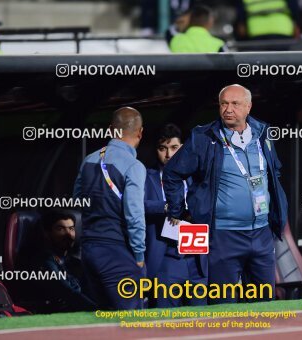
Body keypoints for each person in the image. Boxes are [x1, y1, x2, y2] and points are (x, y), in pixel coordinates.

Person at [163, 84, 288, 304]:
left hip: (261, 234)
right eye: (223, 103)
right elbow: (172, 173)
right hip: (223, 236)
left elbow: (274, 171)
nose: (228, 109)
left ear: (248, 107)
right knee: (223, 307)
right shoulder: (204, 137)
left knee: (264, 306)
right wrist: (179, 211)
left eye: (235, 104)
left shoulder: (263, 134)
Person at [74, 107, 146, 310]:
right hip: (116, 251)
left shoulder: (89, 159)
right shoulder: (134, 166)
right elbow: (135, 215)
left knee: (102, 322)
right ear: (140, 132)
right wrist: (139, 256)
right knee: (131, 322)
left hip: (88, 250)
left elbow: (77, 200)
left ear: (110, 130)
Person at [144, 124, 207, 308]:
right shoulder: (147, 177)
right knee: (166, 323)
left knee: (201, 323)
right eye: (162, 148)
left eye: (174, 148)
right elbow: (137, 206)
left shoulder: (197, 176)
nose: (169, 155)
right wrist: (167, 206)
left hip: (197, 257)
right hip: (168, 257)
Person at [34, 209, 95, 312]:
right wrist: (100, 311)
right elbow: (68, 292)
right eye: (61, 229)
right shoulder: (45, 261)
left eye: (71, 229)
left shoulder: (74, 259)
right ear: (47, 233)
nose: (68, 234)